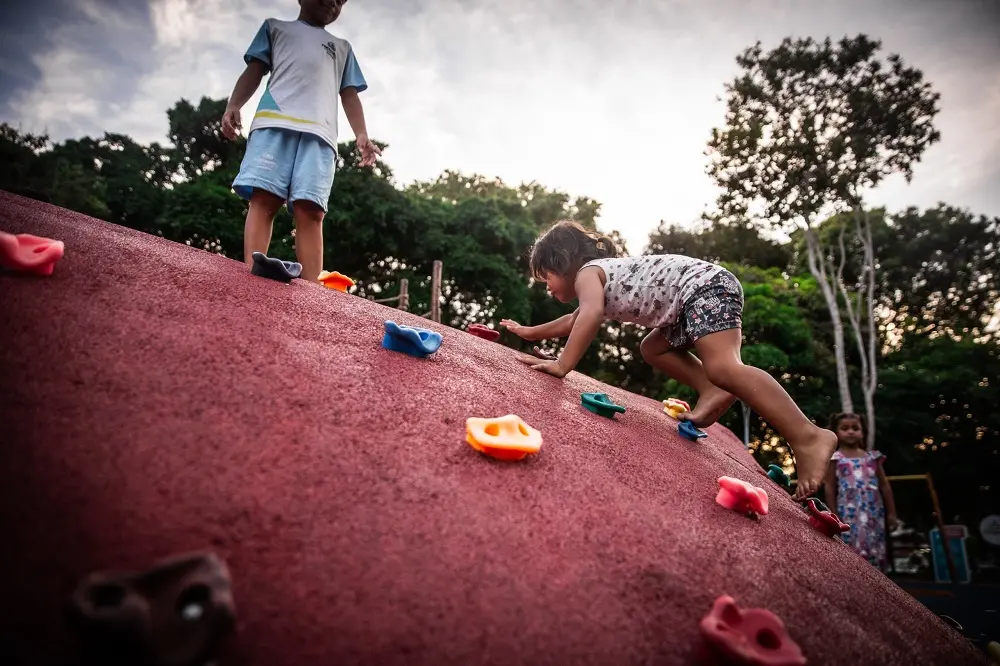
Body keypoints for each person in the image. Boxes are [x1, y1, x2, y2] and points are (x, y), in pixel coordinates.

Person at [500, 220, 837, 500]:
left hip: (702, 288)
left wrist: (562, 365)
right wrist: (529, 333)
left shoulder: (589, 273)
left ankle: (808, 435)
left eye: (546, 278)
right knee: (653, 348)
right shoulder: (595, 278)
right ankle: (710, 388)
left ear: (563, 262)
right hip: (685, 304)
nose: (546, 287)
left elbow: (589, 316)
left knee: (725, 367)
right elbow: (574, 319)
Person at [220, 0, 381, 282]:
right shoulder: (275, 28)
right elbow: (255, 70)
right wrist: (234, 104)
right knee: (265, 198)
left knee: (311, 209)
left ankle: (311, 292)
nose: (334, 2)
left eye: (341, 0)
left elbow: (349, 94)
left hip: (320, 135)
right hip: (274, 123)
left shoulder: (342, 48)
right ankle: (251, 276)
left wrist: (362, 134)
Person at [825, 412, 899, 572]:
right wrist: (834, 514)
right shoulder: (835, 458)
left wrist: (892, 513)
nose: (851, 431)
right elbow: (829, 487)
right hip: (848, 513)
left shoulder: (872, 458)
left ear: (862, 432)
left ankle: (878, 582)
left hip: (874, 513)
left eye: (855, 428)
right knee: (851, 546)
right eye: (845, 428)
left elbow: (885, 486)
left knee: (874, 545)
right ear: (836, 432)